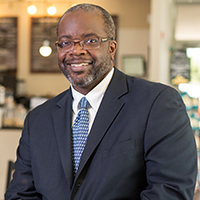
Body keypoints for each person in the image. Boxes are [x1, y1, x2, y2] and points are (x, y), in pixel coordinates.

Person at [5, 3, 197, 200]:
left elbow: (170, 191)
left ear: (111, 48)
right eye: (65, 42)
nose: (75, 51)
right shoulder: (37, 120)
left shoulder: (157, 103)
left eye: (90, 40)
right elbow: (20, 194)